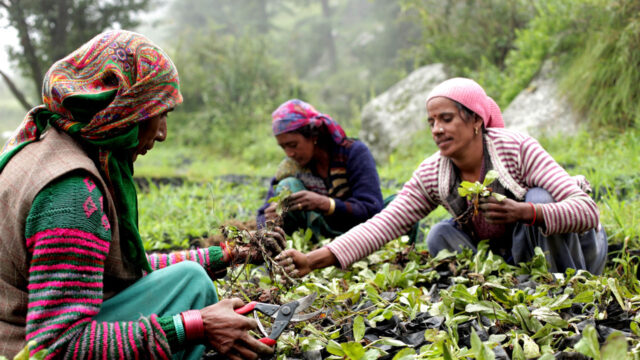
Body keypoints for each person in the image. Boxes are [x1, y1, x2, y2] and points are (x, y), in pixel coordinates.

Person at [0, 30, 283, 360]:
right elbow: (58, 346)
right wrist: (196, 325)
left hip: (16, 329)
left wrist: (227, 254)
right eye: (159, 113)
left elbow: (116, 269)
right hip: (23, 349)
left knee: (189, 277)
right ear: (124, 109)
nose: (162, 133)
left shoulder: (46, 143)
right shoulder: (74, 194)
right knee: (193, 289)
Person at [275, 77, 608, 278]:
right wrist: (312, 260)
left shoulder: (516, 148)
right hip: (510, 257)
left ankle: (563, 286)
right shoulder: (434, 172)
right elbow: (383, 224)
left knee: (540, 198)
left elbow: (586, 211)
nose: (437, 129)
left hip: (576, 254)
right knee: (439, 236)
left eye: (446, 119)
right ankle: (514, 286)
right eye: (431, 122)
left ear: (476, 119)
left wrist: (526, 212)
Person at [257, 99, 384, 241]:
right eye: (283, 147)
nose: (289, 153)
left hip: (357, 236)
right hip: (315, 237)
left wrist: (326, 204)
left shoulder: (353, 153)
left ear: (313, 136)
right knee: (287, 186)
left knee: (400, 205)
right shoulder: (291, 166)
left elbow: (372, 208)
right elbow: (263, 213)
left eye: (293, 145)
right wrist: (270, 218)